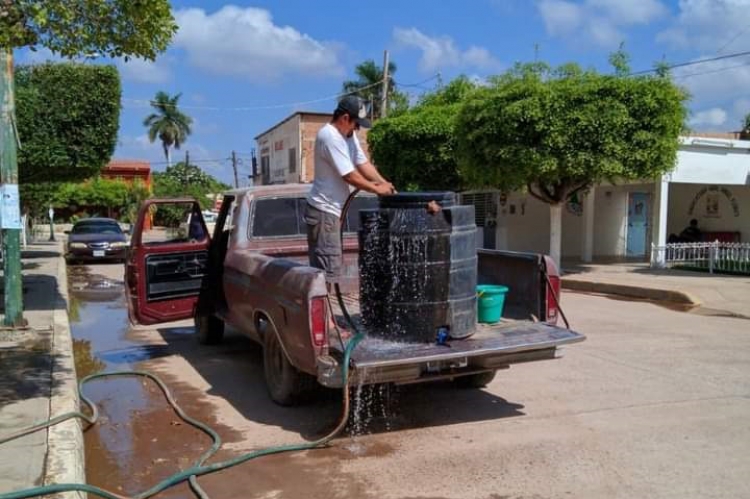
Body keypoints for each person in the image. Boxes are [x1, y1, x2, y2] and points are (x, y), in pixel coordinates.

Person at [305, 95, 395, 285]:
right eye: (356, 124)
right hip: (324, 212)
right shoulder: (329, 136)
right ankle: (323, 313)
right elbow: (349, 175)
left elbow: (362, 163)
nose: (357, 129)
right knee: (327, 272)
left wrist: (385, 183)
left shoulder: (348, 135)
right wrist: (376, 189)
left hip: (333, 213)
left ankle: (325, 311)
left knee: (332, 265)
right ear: (345, 118)